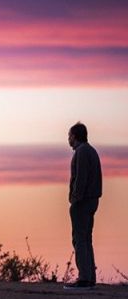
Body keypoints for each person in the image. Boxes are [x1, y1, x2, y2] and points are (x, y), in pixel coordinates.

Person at [63, 122, 102, 290]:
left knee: (79, 239)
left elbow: (81, 178)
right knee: (86, 238)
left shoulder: (82, 152)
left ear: (76, 136)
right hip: (91, 200)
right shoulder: (90, 150)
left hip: (83, 201)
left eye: (70, 136)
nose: (68, 139)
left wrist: (75, 199)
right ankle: (90, 278)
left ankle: (84, 278)